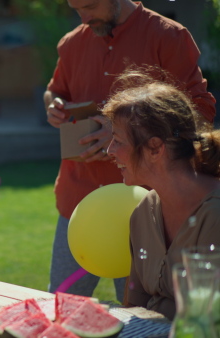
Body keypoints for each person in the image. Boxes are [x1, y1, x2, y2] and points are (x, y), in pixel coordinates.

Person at [43, 0, 217, 301]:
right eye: (76, 9)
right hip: (78, 198)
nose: (83, 17)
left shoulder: (168, 36)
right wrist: (53, 104)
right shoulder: (71, 43)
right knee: (61, 307)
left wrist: (128, 132)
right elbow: (55, 90)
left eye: (90, 6)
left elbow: (199, 112)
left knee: (140, 308)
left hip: (144, 202)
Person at [102, 70, 220, 319]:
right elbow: (133, 306)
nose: (109, 150)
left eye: (118, 141)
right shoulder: (143, 211)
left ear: (155, 148)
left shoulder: (215, 216)